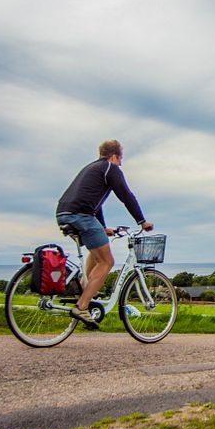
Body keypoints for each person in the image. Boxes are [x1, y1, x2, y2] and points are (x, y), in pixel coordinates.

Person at [56, 140, 153, 329]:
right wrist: (141, 221)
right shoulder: (111, 168)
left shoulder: (91, 168)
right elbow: (126, 195)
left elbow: (95, 204)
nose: (121, 164)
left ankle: (85, 291)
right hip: (81, 215)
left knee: (96, 252)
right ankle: (82, 306)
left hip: (64, 213)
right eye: (121, 159)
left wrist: (102, 228)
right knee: (107, 262)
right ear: (115, 156)